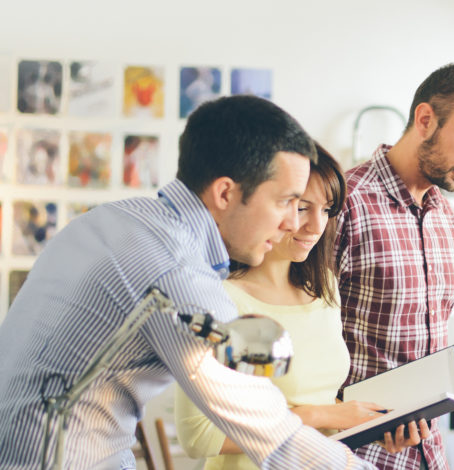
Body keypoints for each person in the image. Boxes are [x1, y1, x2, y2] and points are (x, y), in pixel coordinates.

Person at [0, 95, 375, 469]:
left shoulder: (117, 218)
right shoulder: (176, 274)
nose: (293, 224)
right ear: (225, 192)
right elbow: (268, 432)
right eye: (284, 202)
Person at [174, 143, 425, 469]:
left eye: (327, 209)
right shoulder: (222, 300)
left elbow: (319, 402)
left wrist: (368, 423)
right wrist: (319, 415)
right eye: (303, 208)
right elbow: (197, 436)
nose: (316, 226)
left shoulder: (325, 291)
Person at [335, 62, 454, 470]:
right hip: (356, 455)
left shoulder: (446, 217)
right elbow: (303, 345)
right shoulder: (343, 204)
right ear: (425, 119)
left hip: (429, 454)